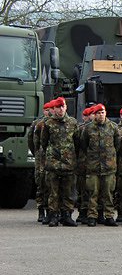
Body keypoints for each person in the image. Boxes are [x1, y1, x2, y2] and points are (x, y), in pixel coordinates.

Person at [40, 97, 80, 227]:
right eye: (58, 107)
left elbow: (78, 142)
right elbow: (43, 142)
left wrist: (72, 157)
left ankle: (67, 216)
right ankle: (53, 216)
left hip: (69, 163)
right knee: (53, 191)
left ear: (66, 107)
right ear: (54, 109)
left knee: (68, 191)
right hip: (53, 163)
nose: (61, 109)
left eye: (63, 106)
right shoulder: (48, 123)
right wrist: (51, 155)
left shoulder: (73, 123)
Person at [80, 104, 119, 227]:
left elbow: (117, 145)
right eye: (98, 113)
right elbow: (83, 145)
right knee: (93, 192)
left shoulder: (113, 127)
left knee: (108, 193)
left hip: (108, 167)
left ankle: (109, 216)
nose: (101, 115)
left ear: (106, 113)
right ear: (95, 115)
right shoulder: (88, 128)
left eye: (102, 112)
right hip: (93, 166)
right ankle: (92, 216)